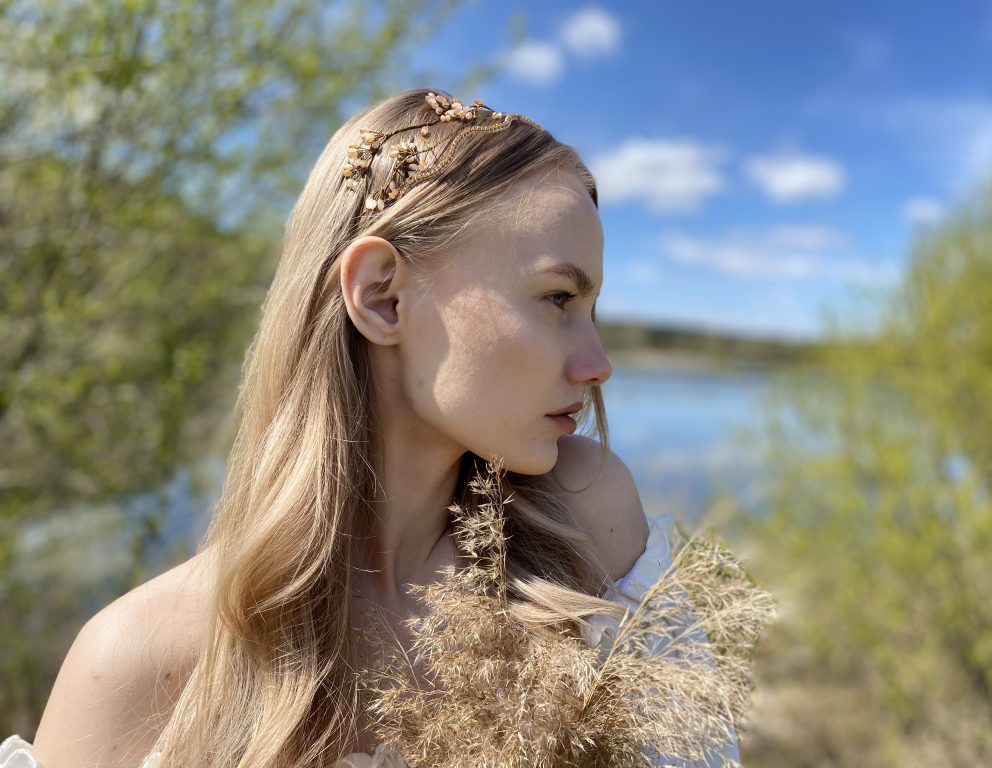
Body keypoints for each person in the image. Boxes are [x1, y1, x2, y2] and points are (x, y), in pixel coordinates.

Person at [2, 88, 742, 767]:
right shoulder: (135, 665)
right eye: (556, 298)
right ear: (383, 297)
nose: (598, 363)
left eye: (593, 310)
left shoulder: (586, 535)